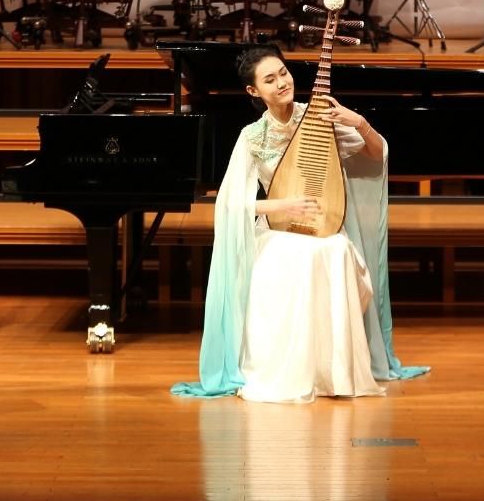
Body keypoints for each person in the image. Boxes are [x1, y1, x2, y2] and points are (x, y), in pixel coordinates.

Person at [173, 46, 428, 402]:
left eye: (283, 73)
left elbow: (375, 154)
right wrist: (282, 205)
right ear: (253, 91)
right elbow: (230, 203)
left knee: (336, 249)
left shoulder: (319, 118)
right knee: (295, 256)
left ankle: (335, 373)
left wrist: (359, 122)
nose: (281, 83)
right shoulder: (253, 136)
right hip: (277, 233)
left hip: (325, 227)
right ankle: (291, 370)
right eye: (270, 79)